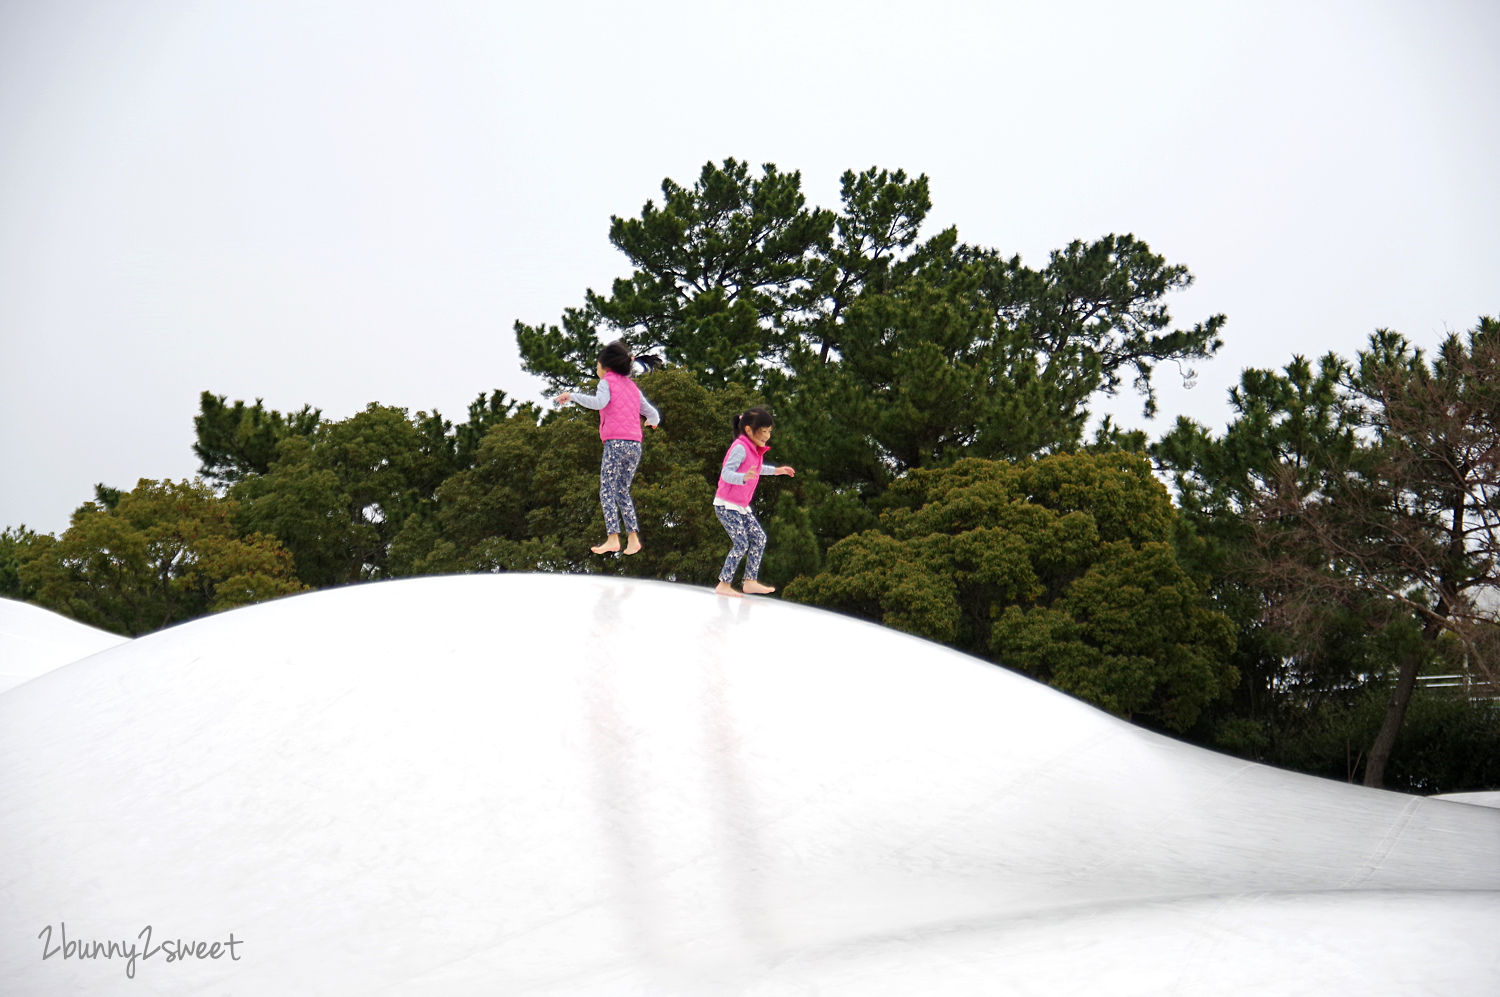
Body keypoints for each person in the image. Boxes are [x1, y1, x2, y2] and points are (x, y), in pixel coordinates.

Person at [556, 341, 661, 555]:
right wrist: (652, 422)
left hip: (615, 443)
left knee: (607, 489)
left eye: (597, 365)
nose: (596, 370)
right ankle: (633, 539)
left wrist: (573, 396)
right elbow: (652, 413)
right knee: (622, 490)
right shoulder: (633, 387)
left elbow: (599, 403)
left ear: (606, 366)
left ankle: (613, 537)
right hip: (635, 445)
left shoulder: (606, 382)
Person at [713, 406, 795, 597]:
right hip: (726, 505)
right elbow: (726, 473)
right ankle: (723, 584)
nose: (767, 436)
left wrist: (777, 470)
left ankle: (749, 581)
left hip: (740, 505)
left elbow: (757, 469)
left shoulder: (754, 450)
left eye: (769, 431)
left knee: (759, 538)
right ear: (749, 430)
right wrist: (742, 477)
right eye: (763, 431)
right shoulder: (740, 448)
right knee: (741, 543)